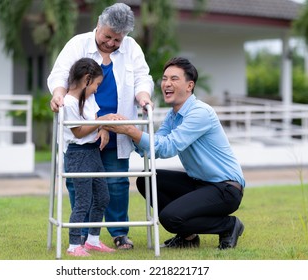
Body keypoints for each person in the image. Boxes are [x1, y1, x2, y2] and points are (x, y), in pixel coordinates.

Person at [104, 57, 245, 250]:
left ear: (190, 85)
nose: (167, 84)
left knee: (170, 219)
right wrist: (128, 127)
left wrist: (131, 131)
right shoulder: (173, 115)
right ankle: (188, 237)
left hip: (225, 188)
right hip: (199, 184)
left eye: (174, 79)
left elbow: (168, 147)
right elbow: (154, 148)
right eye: (164, 78)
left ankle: (229, 226)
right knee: (147, 180)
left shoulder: (200, 113)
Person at [47, 3, 154, 249]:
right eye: (107, 36)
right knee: (80, 183)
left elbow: (142, 78)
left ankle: (119, 234)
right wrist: (58, 95)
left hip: (117, 127)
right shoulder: (77, 44)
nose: (111, 43)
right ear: (98, 24)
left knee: (115, 183)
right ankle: (81, 237)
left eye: (118, 39)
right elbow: (60, 75)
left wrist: (143, 97)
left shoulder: (132, 48)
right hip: (83, 130)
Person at [63, 58, 115, 257]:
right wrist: (102, 121)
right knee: (83, 201)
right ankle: (74, 244)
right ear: (86, 79)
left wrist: (103, 126)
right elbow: (78, 132)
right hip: (78, 154)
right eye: (96, 85)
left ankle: (93, 239)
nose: (96, 89)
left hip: (93, 152)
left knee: (103, 197)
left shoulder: (87, 100)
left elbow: (94, 122)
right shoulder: (69, 102)